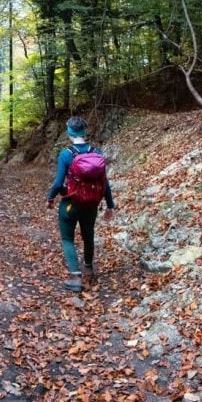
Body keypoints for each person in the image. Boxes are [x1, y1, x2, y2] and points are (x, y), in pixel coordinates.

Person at [45, 116, 116, 292]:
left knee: (67, 238)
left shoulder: (66, 154)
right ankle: (89, 269)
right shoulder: (97, 153)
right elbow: (104, 183)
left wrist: (51, 198)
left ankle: (76, 277)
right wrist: (110, 205)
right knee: (88, 235)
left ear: (69, 132)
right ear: (84, 131)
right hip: (92, 204)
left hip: (71, 203)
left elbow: (57, 183)